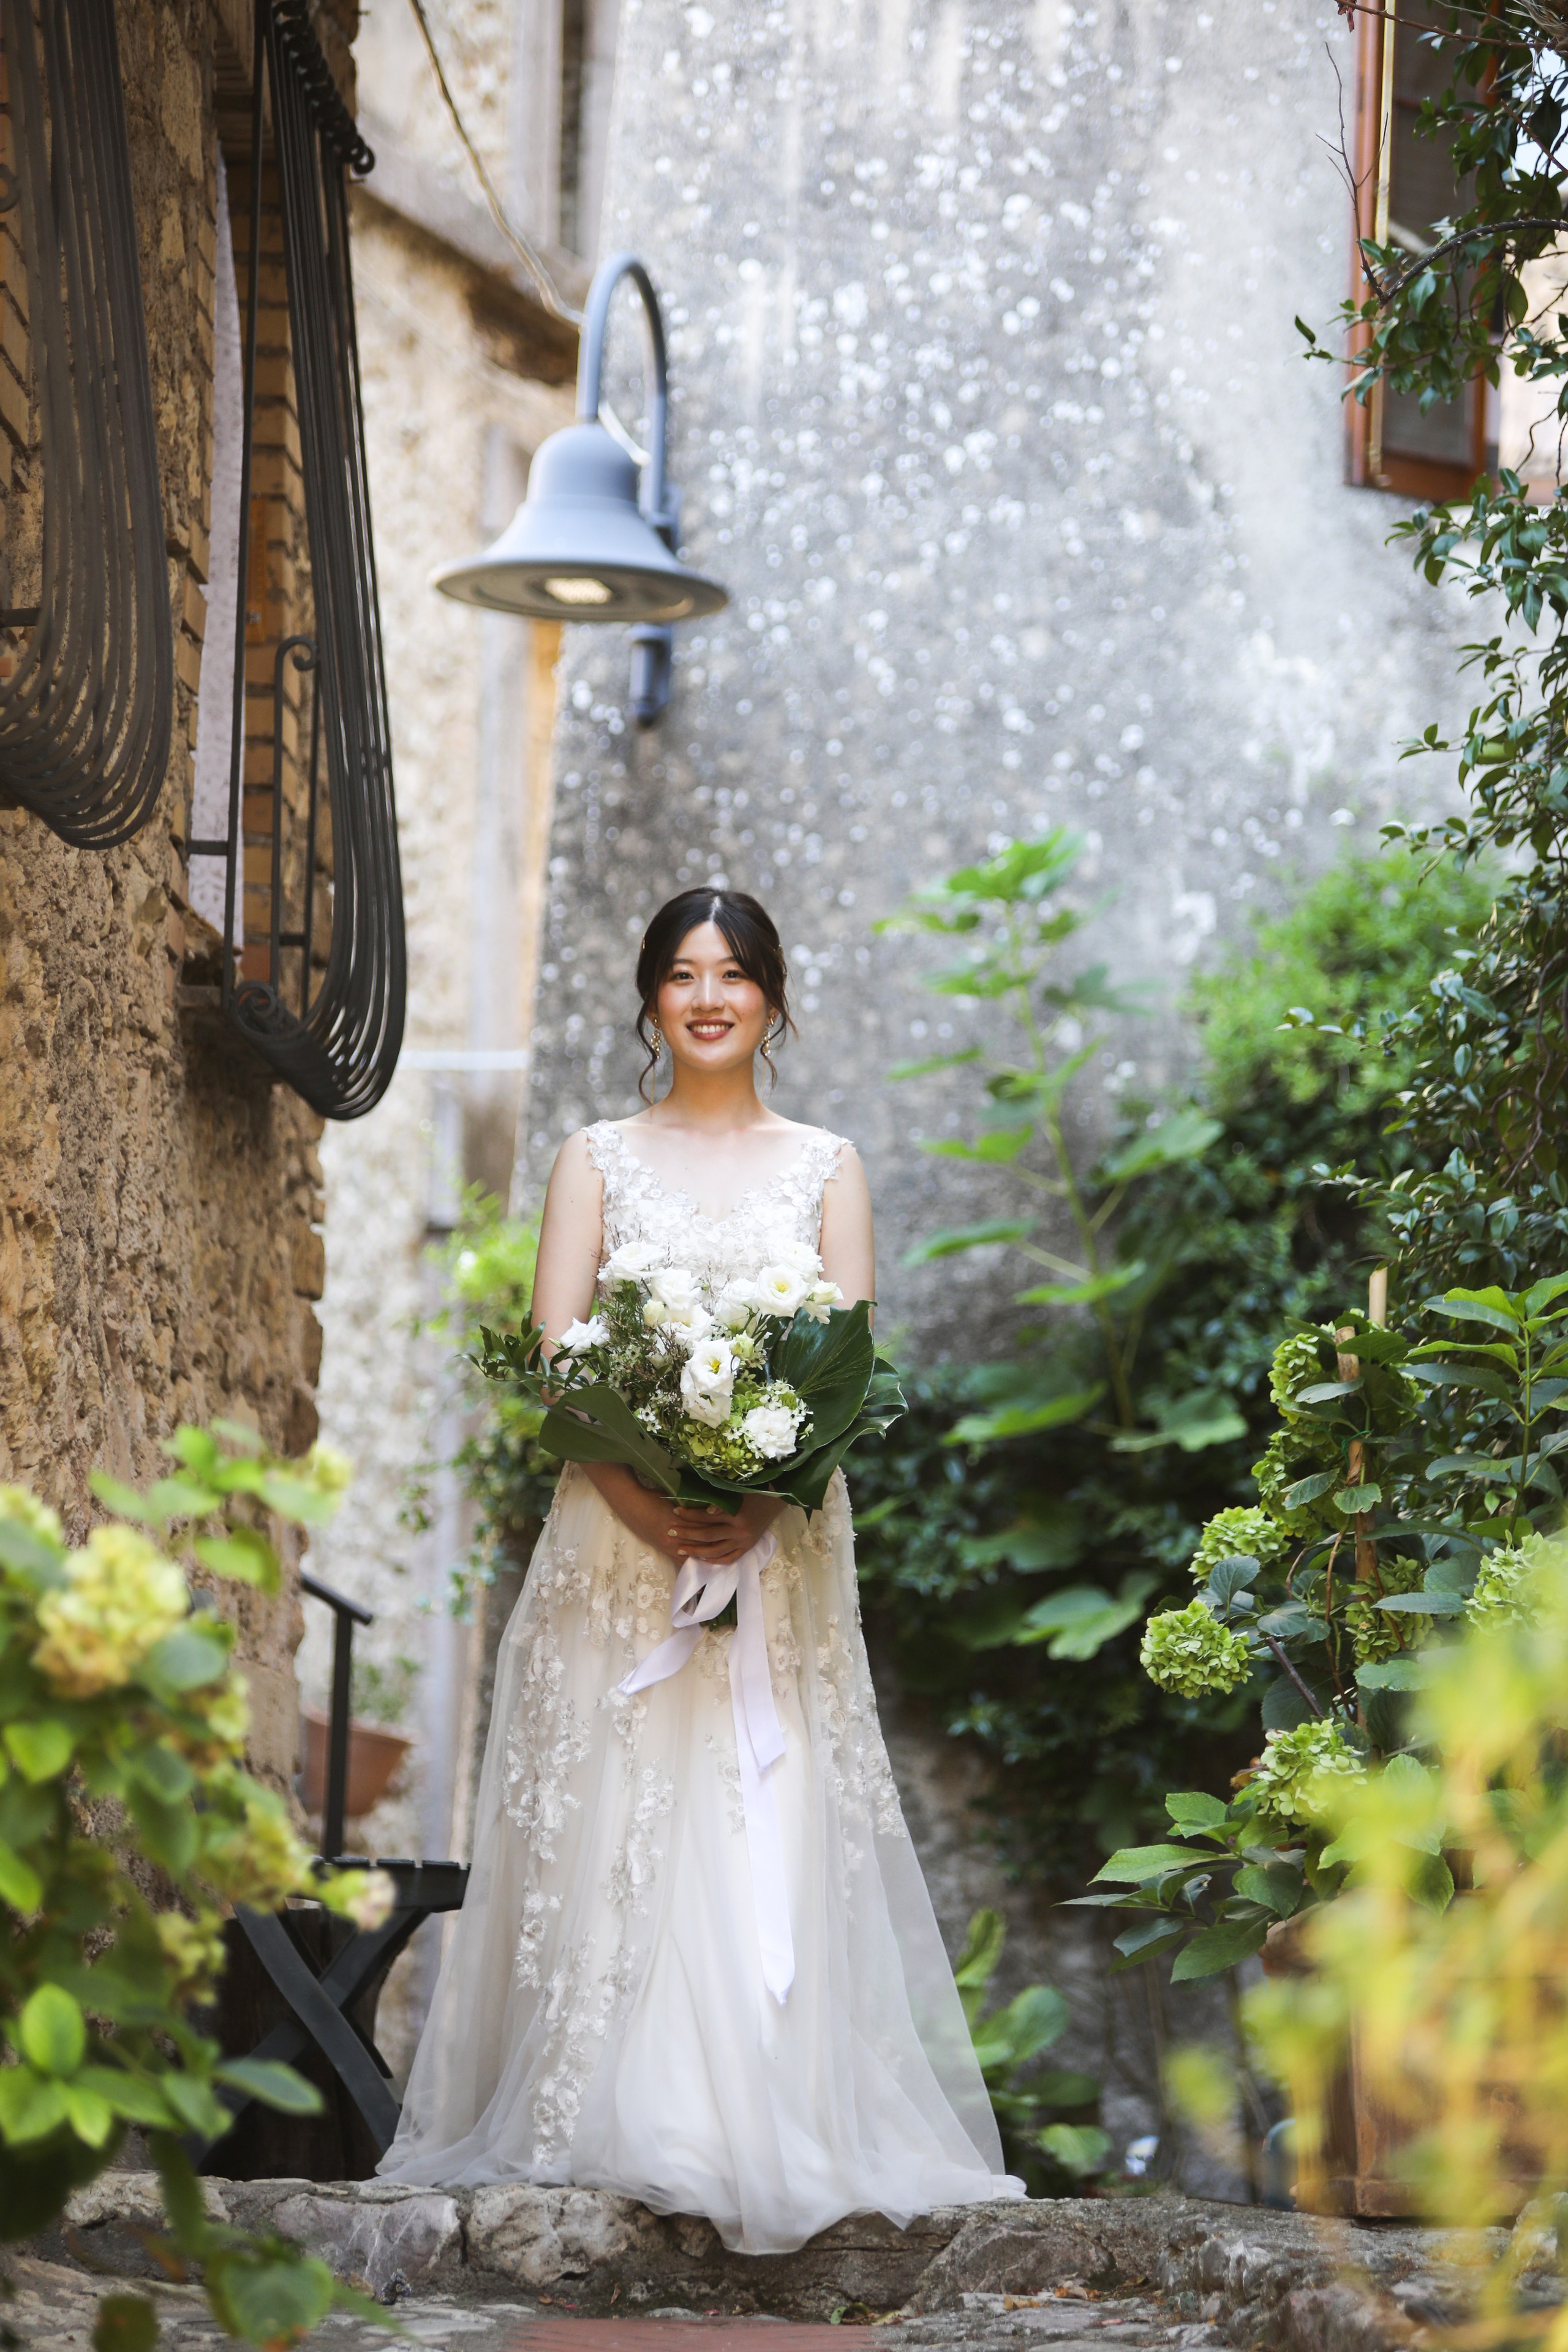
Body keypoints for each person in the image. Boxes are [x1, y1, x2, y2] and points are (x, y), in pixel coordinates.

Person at [377, 888, 1023, 2251]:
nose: (708, 995)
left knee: (753, 1805)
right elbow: (558, 1357)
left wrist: (752, 1510)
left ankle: (758, 2116)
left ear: (775, 1001)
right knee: (613, 1805)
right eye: (681, 974)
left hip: (776, 1552)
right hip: (612, 1548)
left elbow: (843, 1373)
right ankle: (603, 2110)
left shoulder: (827, 1165)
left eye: (733, 974)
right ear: (649, 1002)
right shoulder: (594, 1158)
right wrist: (650, 1499)